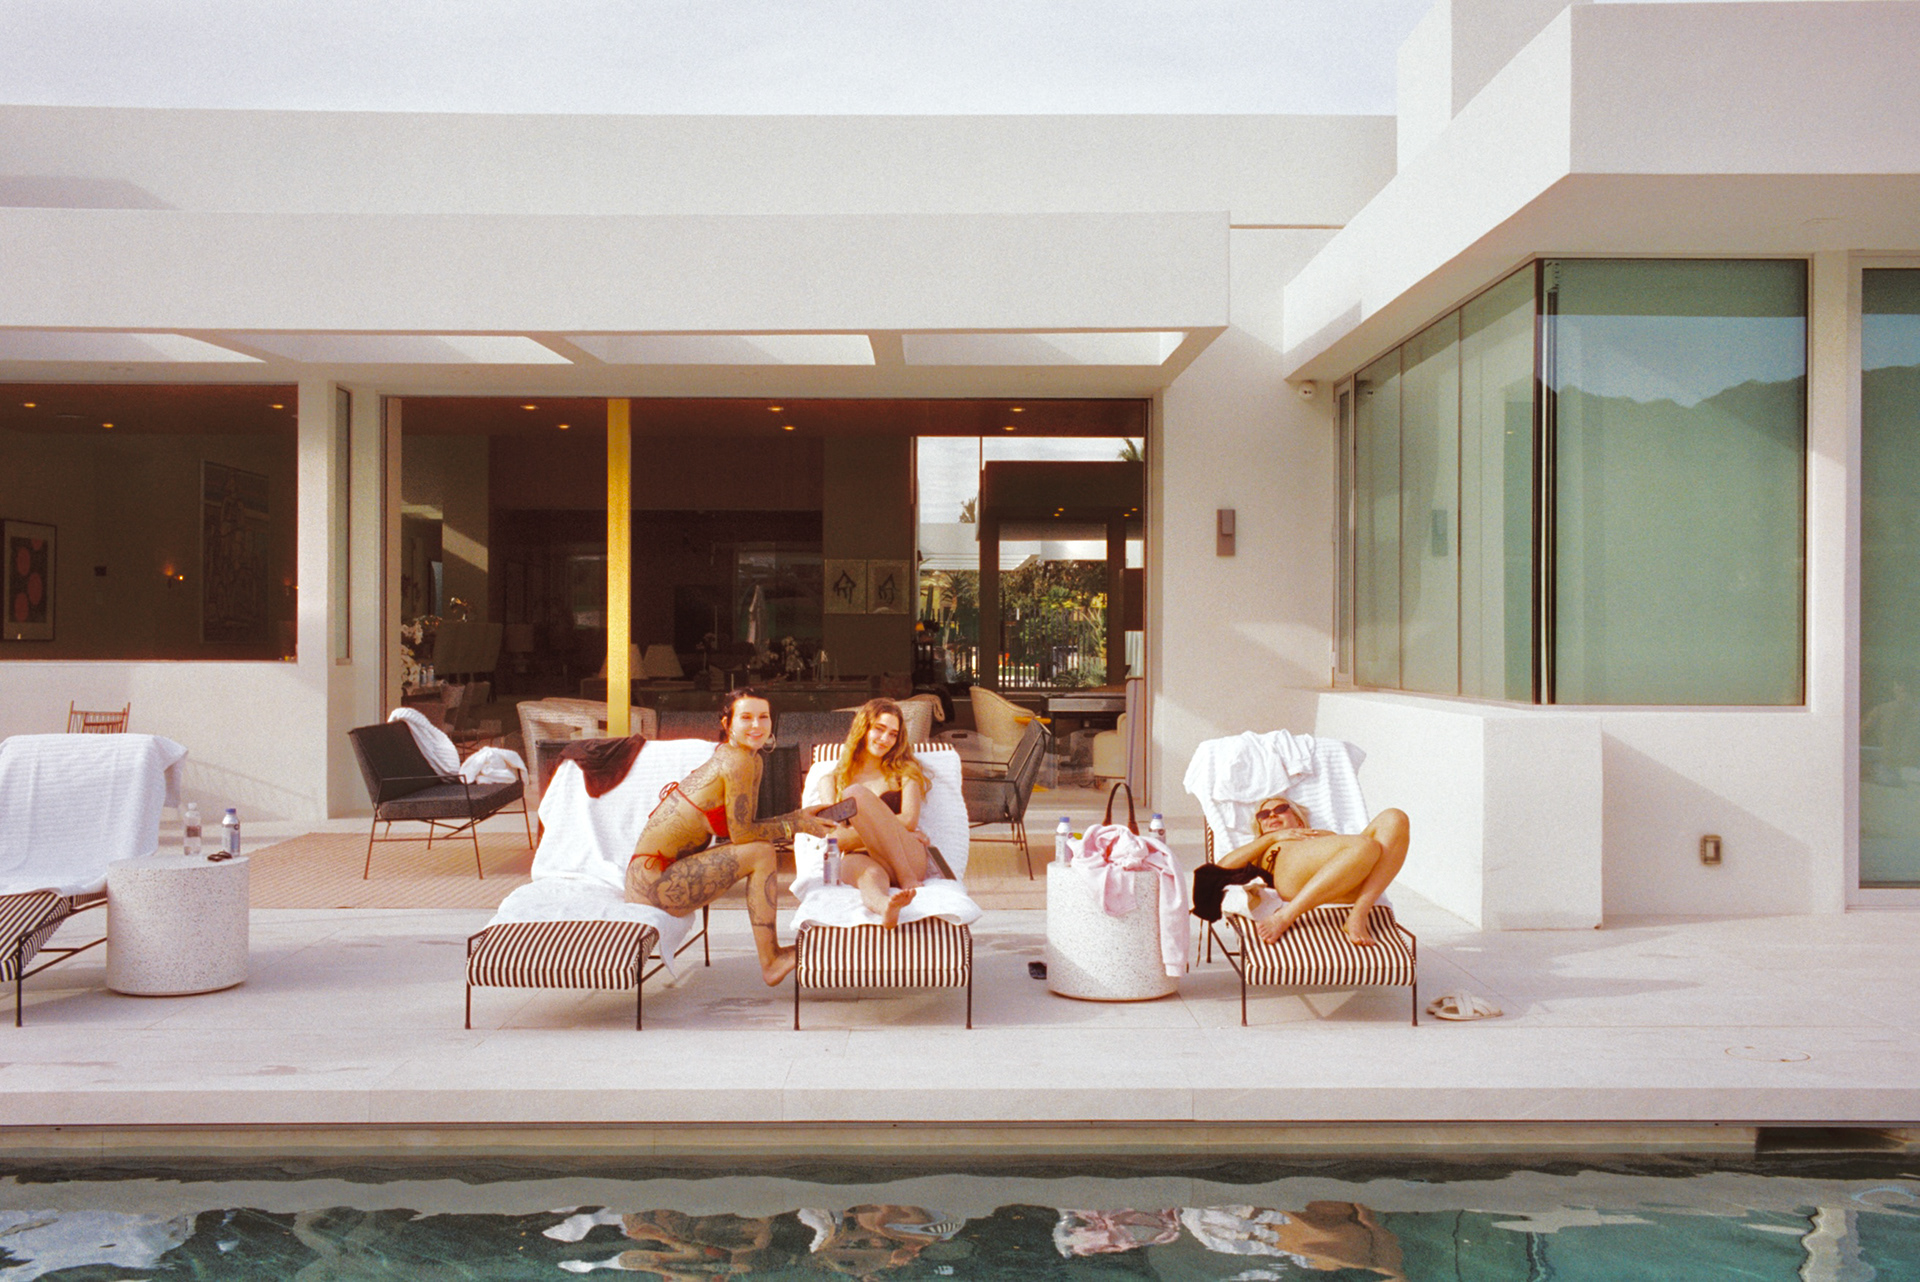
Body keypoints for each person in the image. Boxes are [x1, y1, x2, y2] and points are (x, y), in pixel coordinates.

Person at [626, 687, 855, 985]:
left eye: (764, 717)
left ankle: (772, 955)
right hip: (653, 883)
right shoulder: (737, 761)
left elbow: (746, 827)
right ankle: (771, 960)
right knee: (761, 852)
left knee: (759, 848)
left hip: (660, 876)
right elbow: (744, 835)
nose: (757, 725)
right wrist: (796, 826)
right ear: (727, 723)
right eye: (746, 718)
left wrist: (799, 816)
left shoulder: (748, 758)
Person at [1192, 795, 1409, 946]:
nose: (1272, 815)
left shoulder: (1325, 835)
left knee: (1395, 817)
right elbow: (1222, 865)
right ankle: (1286, 916)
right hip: (1292, 877)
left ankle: (1358, 913)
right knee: (1365, 845)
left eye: (1280, 809)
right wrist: (1272, 837)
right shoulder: (1263, 845)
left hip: (1347, 880)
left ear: (1298, 819)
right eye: (1264, 815)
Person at [820, 698, 955, 928]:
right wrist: (888, 831)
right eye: (879, 729)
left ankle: (905, 877)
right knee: (867, 876)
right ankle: (884, 906)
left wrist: (884, 831)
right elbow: (835, 839)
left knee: (855, 794)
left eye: (893, 734)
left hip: (908, 858)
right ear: (863, 729)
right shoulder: (831, 781)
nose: (885, 739)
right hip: (863, 857)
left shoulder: (905, 772)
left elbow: (909, 820)